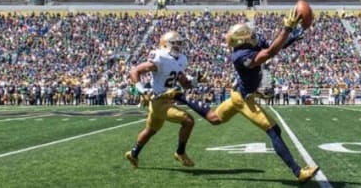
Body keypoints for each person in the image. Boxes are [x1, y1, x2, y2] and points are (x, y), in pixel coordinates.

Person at [177, 10, 320, 183]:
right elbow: (269, 53)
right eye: (247, 35)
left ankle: (182, 97)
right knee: (273, 130)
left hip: (240, 93)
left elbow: (273, 46)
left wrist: (296, 33)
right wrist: (286, 29)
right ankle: (299, 172)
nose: (252, 35)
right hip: (243, 98)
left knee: (214, 118)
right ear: (241, 41)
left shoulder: (249, 44)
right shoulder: (239, 56)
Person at [124, 31, 196, 169]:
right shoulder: (160, 57)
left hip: (165, 101)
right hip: (158, 101)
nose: (178, 46)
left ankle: (133, 154)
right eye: (175, 43)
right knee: (188, 121)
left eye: (180, 43)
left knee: (150, 130)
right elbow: (134, 71)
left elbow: (184, 83)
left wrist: (196, 81)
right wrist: (142, 90)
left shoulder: (182, 59)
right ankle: (180, 153)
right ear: (165, 44)